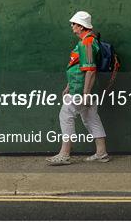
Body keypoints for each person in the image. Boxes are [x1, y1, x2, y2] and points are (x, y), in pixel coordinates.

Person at [46, 11, 110, 166]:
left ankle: (64, 154)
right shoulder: (87, 41)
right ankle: (101, 153)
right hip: (80, 87)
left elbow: (90, 69)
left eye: (74, 24)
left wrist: (85, 94)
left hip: (82, 89)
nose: (72, 26)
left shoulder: (87, 43)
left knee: (65, 114)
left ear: (81, 26)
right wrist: (68, 85)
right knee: (90, 117)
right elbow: (78, 66)